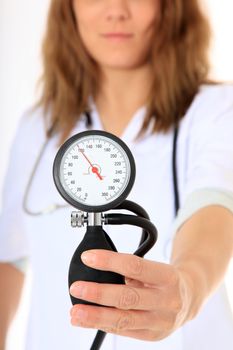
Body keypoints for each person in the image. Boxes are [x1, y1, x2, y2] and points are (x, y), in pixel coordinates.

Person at [0, 0, 233, 349]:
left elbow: (213, 206)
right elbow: (8, 256)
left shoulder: (216, 109)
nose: (116, 10)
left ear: (171, 7)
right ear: (68, 8)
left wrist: (188, 287)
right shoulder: (38, 127)